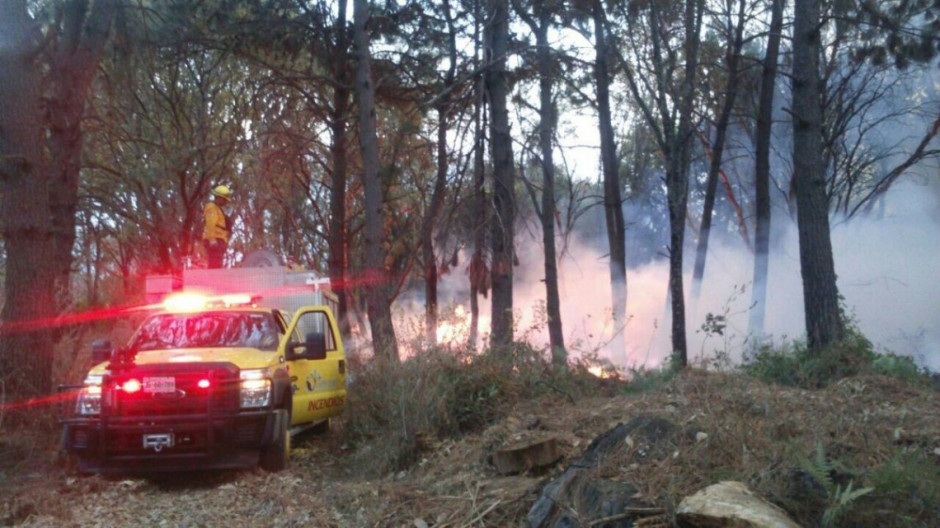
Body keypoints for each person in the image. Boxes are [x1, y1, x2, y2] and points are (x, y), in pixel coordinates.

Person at [202, 184, 232, 268]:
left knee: (217, 264)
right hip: (215, 239)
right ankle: (213, 281)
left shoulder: (218, 209)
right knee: (214, 265)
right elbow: (210, 223)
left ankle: (215, 280)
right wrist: (212, 239)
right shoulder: (212, 208)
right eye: (225, 200)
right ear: (219, 198)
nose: (226, 202)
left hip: (219, 240)